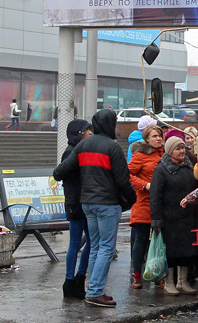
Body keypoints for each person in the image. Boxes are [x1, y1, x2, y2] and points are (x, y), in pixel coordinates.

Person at [61, 109, 134, 307]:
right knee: (106, 247)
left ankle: (93, 289)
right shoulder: (112, 147)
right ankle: (95, 291)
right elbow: (122, 179)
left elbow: (60, 172)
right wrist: (131, 199)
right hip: (107, 204)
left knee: (94, 246)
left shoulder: (83, 145)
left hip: (87, 204)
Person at [150, 134, 198, 295]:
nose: (181, 151)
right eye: (178, 148)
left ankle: (182, 281)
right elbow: (155, 196)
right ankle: (169, 282)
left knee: (186, 250)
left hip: (187, 216)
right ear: (170, 151)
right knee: (171, 252)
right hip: (169, 217)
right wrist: (156, 220)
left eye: (183, 148)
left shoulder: (188, 166)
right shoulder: (161, 170)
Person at [53, 118, 92, 299]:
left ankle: (79, 277)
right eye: (87, 130)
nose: (90, 133)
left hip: (86, 202)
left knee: (91, 241)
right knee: (76, 243)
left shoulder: (84, 150)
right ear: (78, 133)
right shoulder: (71, 152)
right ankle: (70, 280)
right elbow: (62, 175)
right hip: (76, 204)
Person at [127, 124, 165, 289]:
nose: (158, 139)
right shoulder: (140, 155)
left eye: (160, 136)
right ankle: (137, 275)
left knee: (160, 241)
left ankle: (158, 274)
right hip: (144, 203)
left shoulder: (165, 154)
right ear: (147, 139)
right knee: (141, 240)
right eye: (154, 136)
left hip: (162, 204)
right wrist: (144, 185)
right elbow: (127, 175)